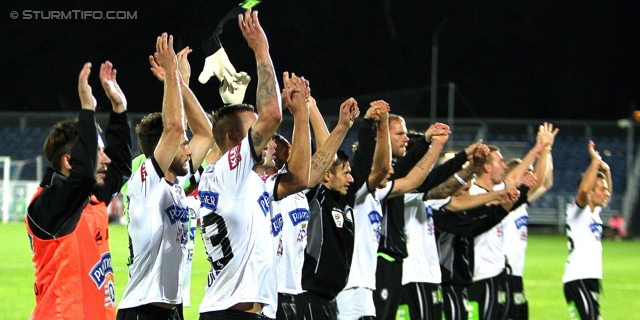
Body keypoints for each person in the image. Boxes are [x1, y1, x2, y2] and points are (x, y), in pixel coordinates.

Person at [117, 33, 213, 319]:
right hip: (143, 310)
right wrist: (172, 73)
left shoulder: (175, 183)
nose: (188, 148)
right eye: (183, 143)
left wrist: (181, 85)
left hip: (171, 308)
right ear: (163, 148)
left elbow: (205, 132)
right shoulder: (146, 184)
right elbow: (173, 128)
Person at [197, 8, 285, 319]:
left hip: (232, 309)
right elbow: (273, 114)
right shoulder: (230, 173)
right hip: (234, 313)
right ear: (237, 141)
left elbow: (215, 135)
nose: (264, 134)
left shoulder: (220, 173)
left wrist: (233, 105)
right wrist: (262, 50)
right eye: (254, 130)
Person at [26, 61, 131, 319]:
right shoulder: (47, 206)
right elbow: (83, 177)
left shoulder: (90, 198)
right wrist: (87, 110)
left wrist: (119, 109)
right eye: (97, 153)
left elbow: (121, 169)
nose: (104, 159)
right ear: (69, 162)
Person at [468, 127, 553, 320]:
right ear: (488, 167)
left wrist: (540, 148)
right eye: (500, 162)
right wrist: (540, 149)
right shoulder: (474, 195)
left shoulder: (496, 191)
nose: (504, 166)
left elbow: (526, 181)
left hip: (499, 273)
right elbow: (513, 180)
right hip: (480, 276)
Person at [295, 97, 360, 320]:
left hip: (330, 300)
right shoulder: (316, 198)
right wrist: (312, 108)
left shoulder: (343, 201)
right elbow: (327, 154)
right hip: (309, 297)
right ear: (327, 176)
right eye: (346, 173)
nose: (351, 179)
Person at [502, 122, 557, 320]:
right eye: (527, 173)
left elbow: (547, 183)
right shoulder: (507, 198)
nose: (531, 177)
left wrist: (547, 151)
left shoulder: (521, 203)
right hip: (503, 273)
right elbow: (541, 180)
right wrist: (543, 149)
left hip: (515, 274)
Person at [563, 140, 611, 320]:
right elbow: (583, 191)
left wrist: (606, 172)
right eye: (601, 189)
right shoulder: (577, 210)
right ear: (591, 192)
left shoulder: (593, 212)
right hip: (578, 279)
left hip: (589, 278)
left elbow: (605, 194)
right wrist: (594, 161)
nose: (606, 193)